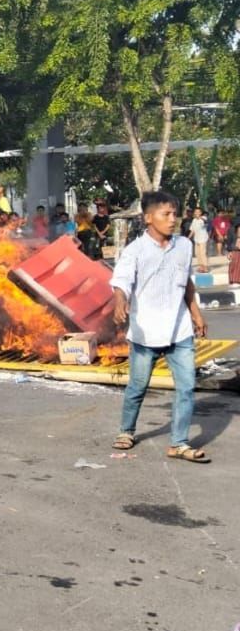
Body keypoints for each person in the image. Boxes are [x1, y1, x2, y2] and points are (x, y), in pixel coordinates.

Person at [111, 190, 210, 463]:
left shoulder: (184, 246)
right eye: (165, 214)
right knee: (137, 387)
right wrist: (119, 302)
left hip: (179, 331)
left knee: (187, 387)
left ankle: (179, 442)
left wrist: (196, 314)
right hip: (146, 332)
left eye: (174, 214)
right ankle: (126, 431)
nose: (172, 220)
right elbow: (121, 282)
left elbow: (186, 283)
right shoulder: (135, 251)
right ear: (148, 218)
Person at [189, 206, 211, 273]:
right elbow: (192, 230)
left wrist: (200, 217)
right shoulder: (194, 220)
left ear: (201, 212)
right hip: (196, 239)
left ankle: (206, 267)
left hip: (203, 239)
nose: (197, 213)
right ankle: (201, 267)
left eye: (198, 212)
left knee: (202, 253)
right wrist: (188, 238)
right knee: (197, 253)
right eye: (196, 212)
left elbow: (205, 221)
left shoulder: (204, 218)